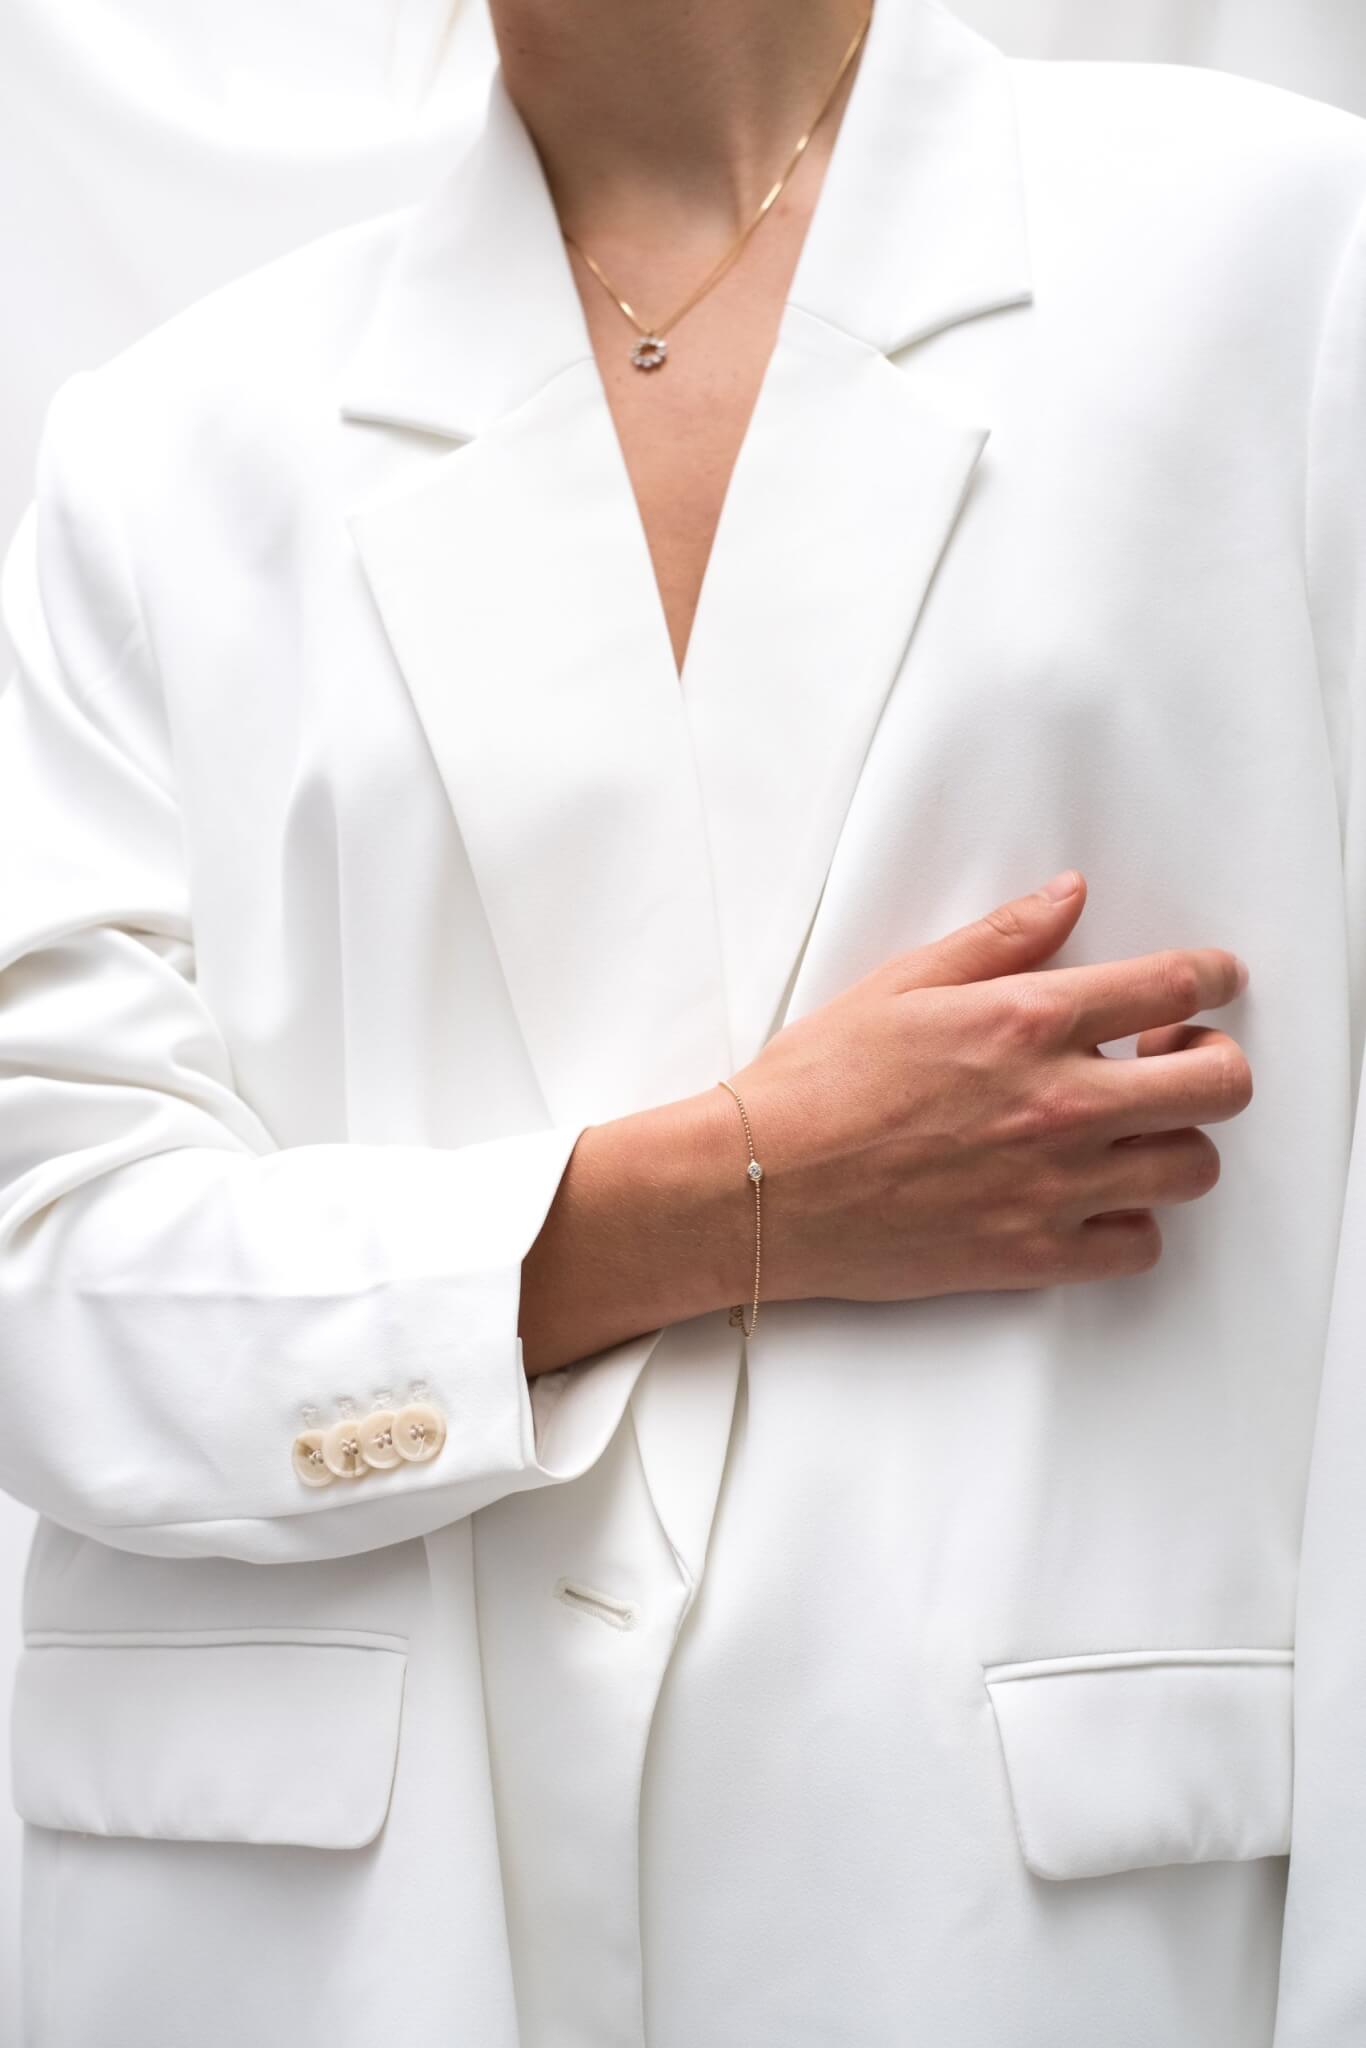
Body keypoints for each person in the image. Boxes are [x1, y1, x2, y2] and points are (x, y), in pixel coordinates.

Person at [0, 0, 1363, 2040]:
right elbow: (40, 1281)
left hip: (1024, 1917)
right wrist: (735, 1194)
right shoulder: (169, 452)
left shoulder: (1282, 267)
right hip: (353, 1952)